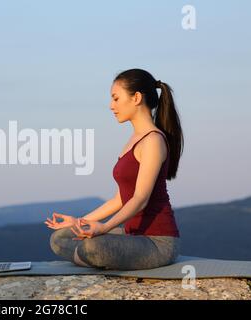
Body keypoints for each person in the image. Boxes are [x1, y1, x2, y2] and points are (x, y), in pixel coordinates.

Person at [45, 68, 184, 270]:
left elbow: (140, 199)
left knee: (92, 247)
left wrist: (104, 227)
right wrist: (80, 221)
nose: (111, 106)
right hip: (131, 235)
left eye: (116, 98)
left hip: (157, 242)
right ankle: (92, 257)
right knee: (60, 238)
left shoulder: (153, 141)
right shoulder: (133, 140)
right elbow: (120, 198)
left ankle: (91, 257)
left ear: (136, 98)